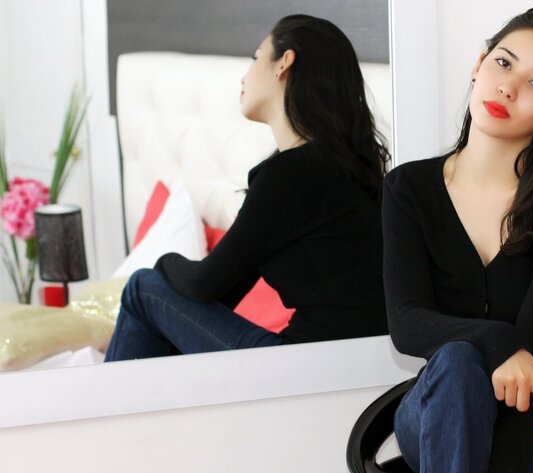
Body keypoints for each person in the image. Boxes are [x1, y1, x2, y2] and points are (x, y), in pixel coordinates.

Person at [383, 7, 533, 473]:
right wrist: (498, 341)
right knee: (459, 360)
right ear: (478, 64)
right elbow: (406, 324)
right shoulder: (408, 189)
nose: (508, 87)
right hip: (449, 404)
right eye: (504, 63)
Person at [105, 14, 389, 361]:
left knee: (142, 288)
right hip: (364, 367)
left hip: (307, 366)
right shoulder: (346, 167)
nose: (245, 76)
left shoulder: (289, 175)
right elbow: (219, 294)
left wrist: (163, 262)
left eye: (256, 57)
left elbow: (200, 284)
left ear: (284, 63)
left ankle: (108, 399)